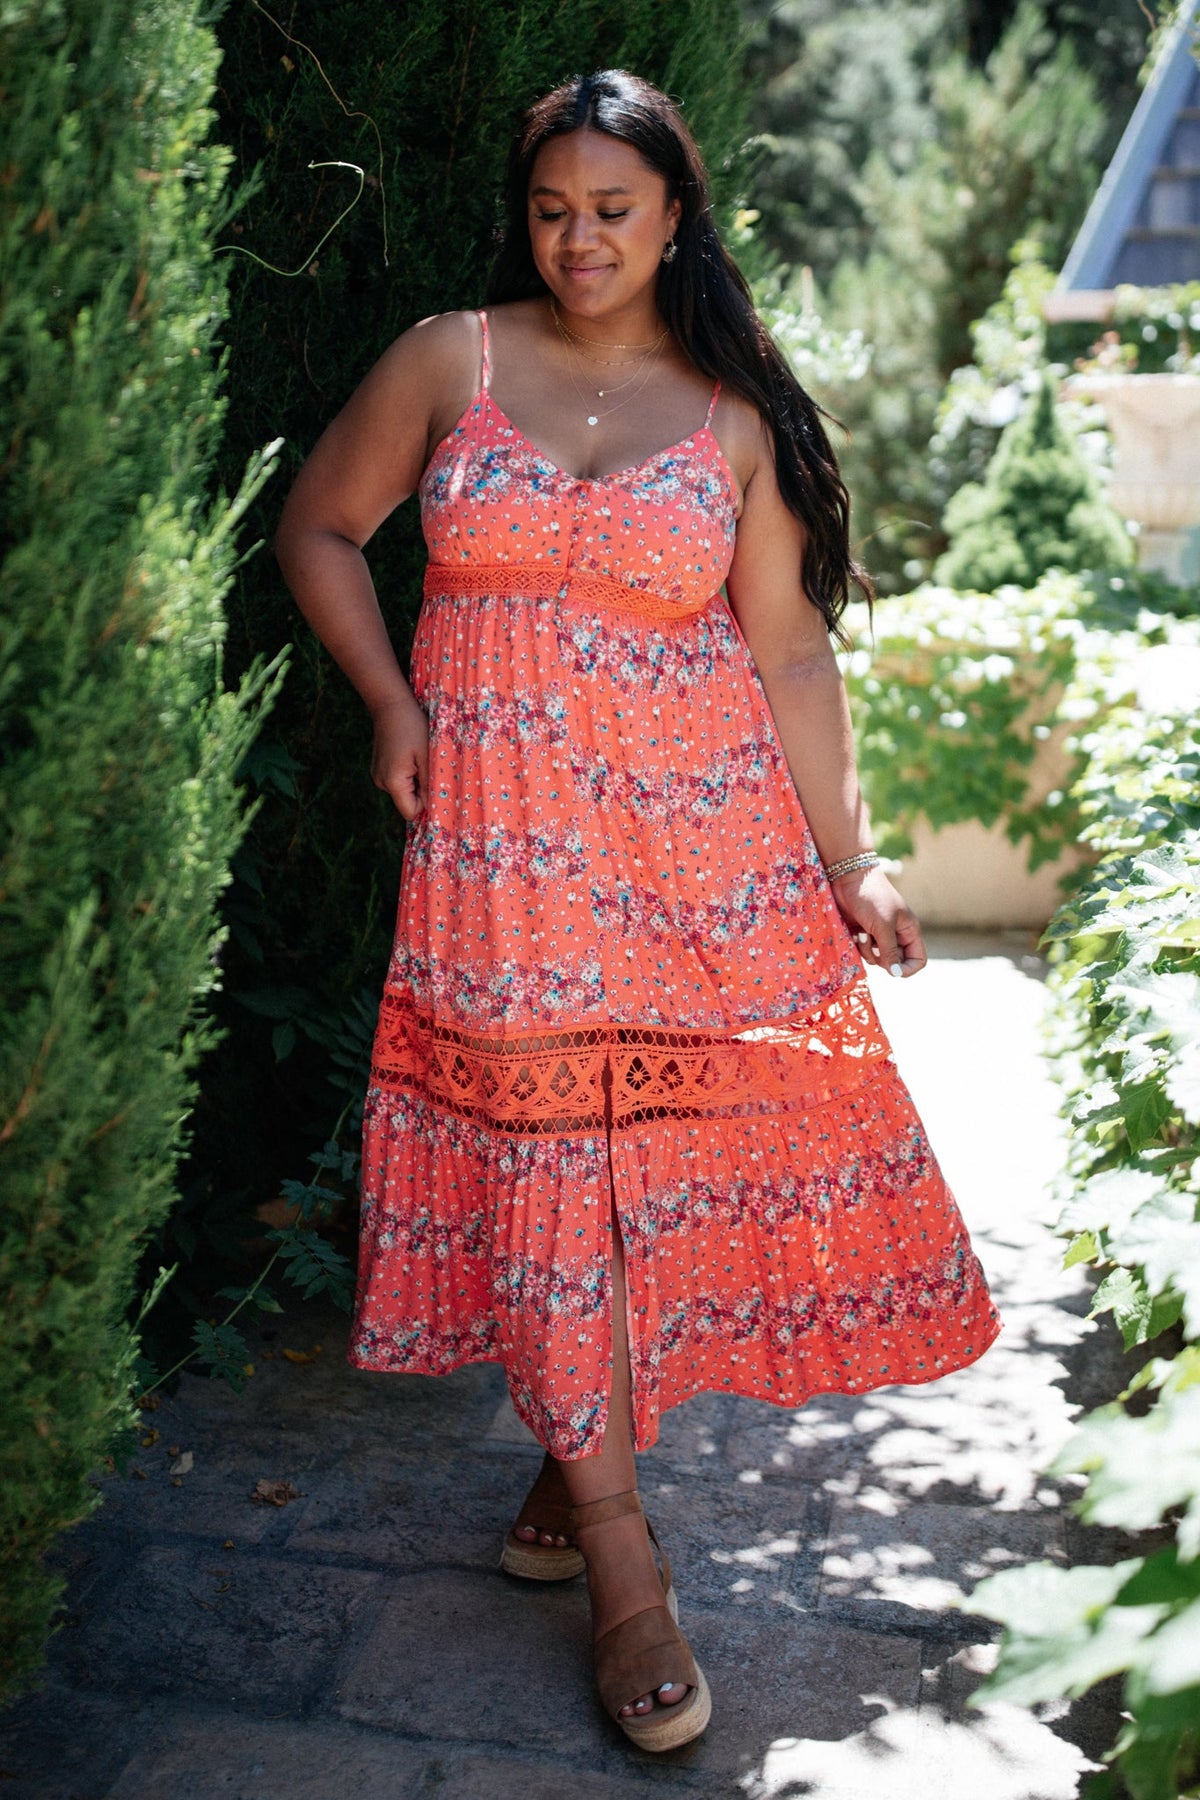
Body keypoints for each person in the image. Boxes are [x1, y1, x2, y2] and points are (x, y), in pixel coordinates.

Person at [274, 68, 1002, 1753]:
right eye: (552, 208)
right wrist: (392, 700)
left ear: (676, 214)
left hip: (700, 861)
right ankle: (623, 1564)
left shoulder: (733, 419)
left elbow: (791, 652)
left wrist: (848, 862)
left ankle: (573, 1465)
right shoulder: (456, 358)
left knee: (642, 1173)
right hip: (501, 860)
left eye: (612, 208)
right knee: (542, 1164)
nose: (579, 238)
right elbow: (320, 524)